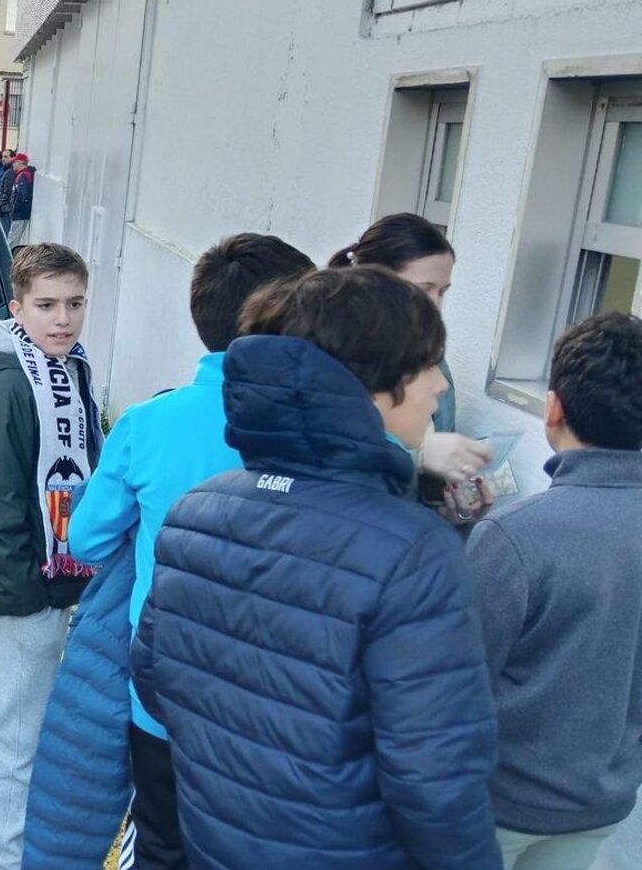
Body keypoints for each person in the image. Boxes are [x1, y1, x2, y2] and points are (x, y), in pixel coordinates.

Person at [131, 267, 499, 869]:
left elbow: (155, 680)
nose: (438, 386)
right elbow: (437, 778)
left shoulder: (195, 511)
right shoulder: (412, 550)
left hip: (216, 841)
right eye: (428, 364)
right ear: (374, 388)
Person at [23, 234, 317, 869]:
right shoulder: (323, 428)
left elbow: (91, 536)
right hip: (282, 699)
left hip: (163, 688)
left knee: (162, 840)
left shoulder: (151, 424)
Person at [466, 312, 642, 868]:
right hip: (602, 802)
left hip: (496, 804)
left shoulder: (515, 535)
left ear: (554, 407)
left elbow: (456, 681)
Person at [0, 243, 100, 870]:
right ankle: (11, 854)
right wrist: (28, 590)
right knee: (21, 733)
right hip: (25, 581)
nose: (62, 319)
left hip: (44, 574)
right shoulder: (11, 382)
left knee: (2, 709)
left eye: (74, 303)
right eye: (45, 305)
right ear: (17, 308)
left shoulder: (63, 365)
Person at [330, 213, 493, 523]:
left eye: (443, 291)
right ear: (374, 280)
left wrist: (449, 508)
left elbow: (427, 487)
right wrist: (421, 454)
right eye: (423, 288)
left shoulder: (436, 362)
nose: (435, 304)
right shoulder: (329, 354)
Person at [6, 155, 34, 246]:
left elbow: (21, 195)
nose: (13, 165)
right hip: (19, 213)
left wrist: (14, 208)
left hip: (19, 213)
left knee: (12, 241)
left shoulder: (23, 176)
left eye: (14, 162)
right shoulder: (22, 175)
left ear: (20, 163)